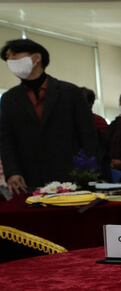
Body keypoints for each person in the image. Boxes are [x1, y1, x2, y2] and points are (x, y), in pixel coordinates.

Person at [0, 38, 103, 194]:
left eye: (15, 57)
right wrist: (13, 172)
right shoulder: (9, 98)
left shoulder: (70, 92)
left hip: (71, 173)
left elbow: (88, 135)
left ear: (36, 58)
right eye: (8, 59)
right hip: (29, 177)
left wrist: (90, 171)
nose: (11, 62)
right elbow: (7, 140)